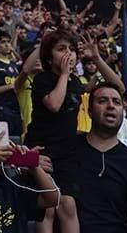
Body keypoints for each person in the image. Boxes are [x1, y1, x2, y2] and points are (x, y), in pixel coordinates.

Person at [24, 31, 83, 233]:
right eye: (61, 49)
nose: (68, 54)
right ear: (49, 58)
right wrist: (64, 75)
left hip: (67, 153)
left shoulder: (76, 82)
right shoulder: (43, 79)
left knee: (68, 204)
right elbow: (54, 104)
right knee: (48, 205)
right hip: (42, 149)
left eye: (72, 49)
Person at [73, 82, 127, 233]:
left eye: (116, 102)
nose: (111, 106)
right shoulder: (67, 151)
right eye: (102, 101)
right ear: (89, 111)